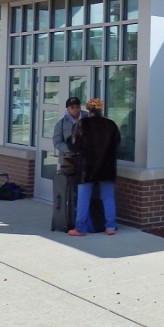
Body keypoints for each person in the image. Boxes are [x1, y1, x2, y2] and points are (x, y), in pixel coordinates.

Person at [68, 98, 120, 237]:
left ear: (88, 109)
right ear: (101, 109)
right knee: (108, 197)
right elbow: (117, 143)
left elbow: (73, 145)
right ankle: (111, 227)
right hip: (107, 166)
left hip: (87, 167)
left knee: (83, 198)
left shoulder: (82, 124)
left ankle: (80, 228)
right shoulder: (111, 124)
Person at [52, 96, 86, 164]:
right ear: (68, 109)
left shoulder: (89, 119)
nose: (75, 109)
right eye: (72, 107)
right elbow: (57, 142)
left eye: (77, 107)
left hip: (87, 159)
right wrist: (70, 148)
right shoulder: (61, 123)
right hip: (69, 160)